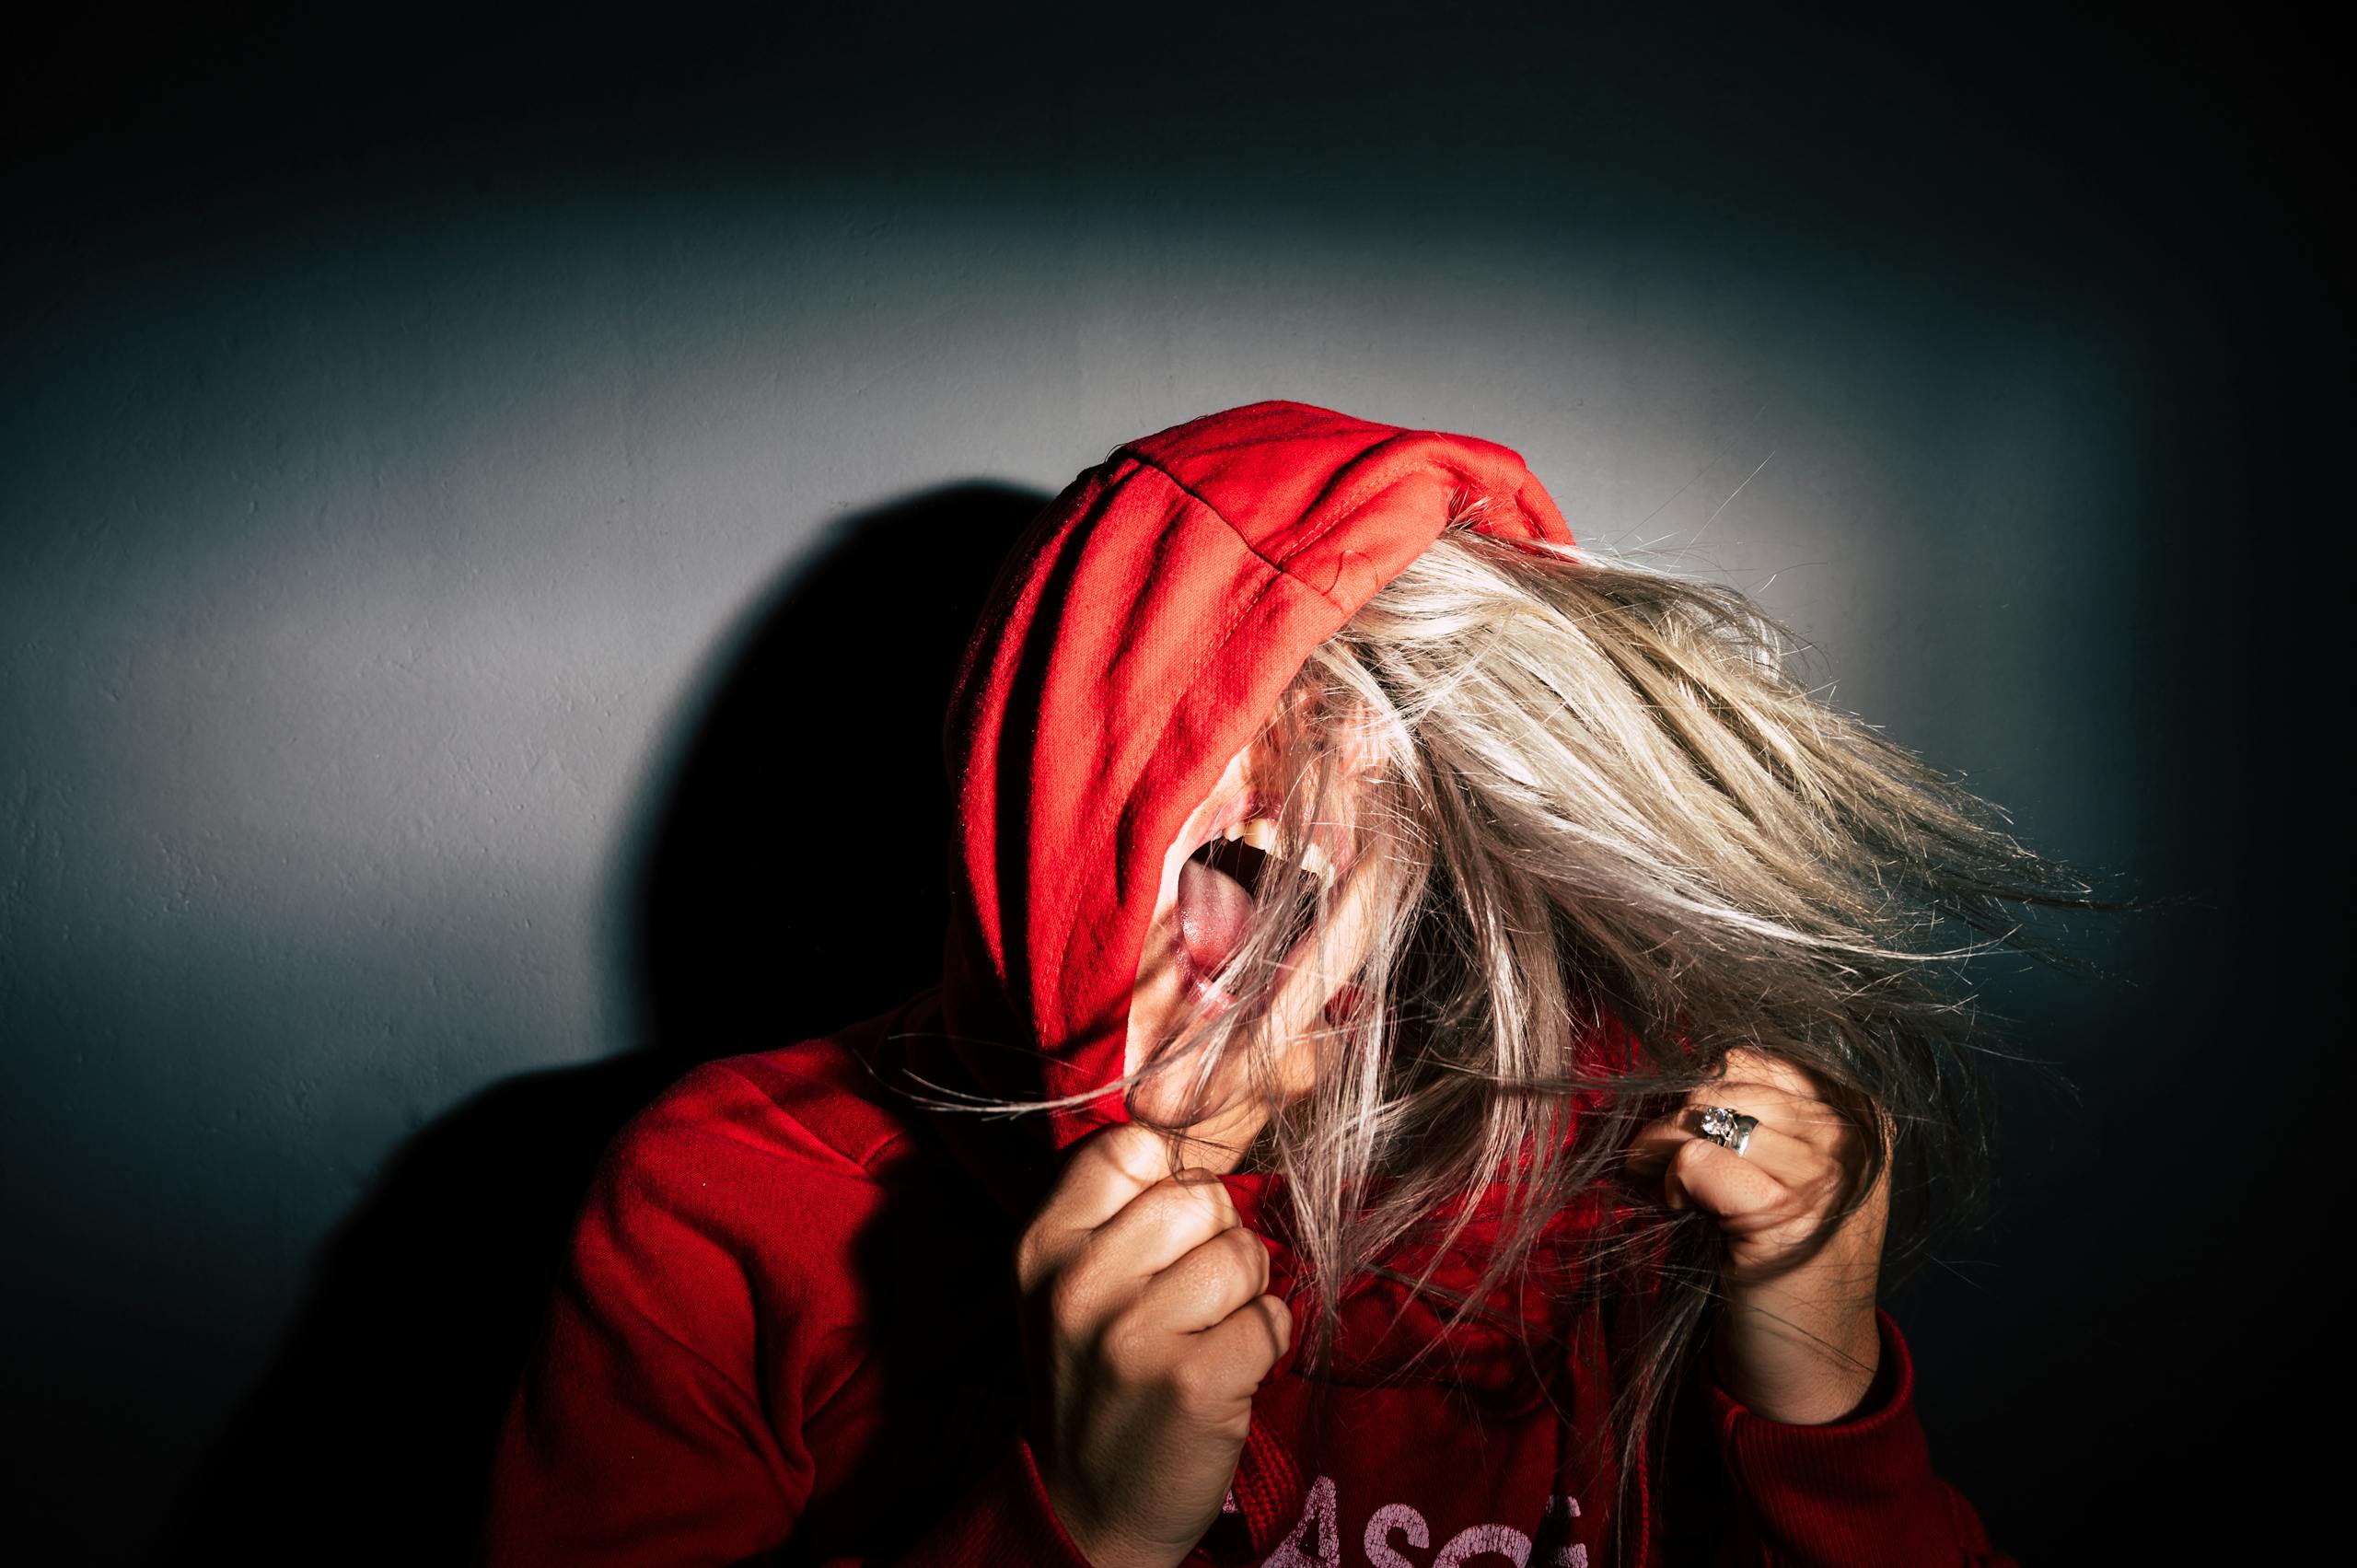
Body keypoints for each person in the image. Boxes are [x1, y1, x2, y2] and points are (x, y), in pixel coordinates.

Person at [483, 400, 2087, 1565]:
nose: (1288, 806)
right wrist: (1082, 1530)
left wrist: (1819, 1400)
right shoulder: (733, 1211)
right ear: (1062, 794)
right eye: (1223, 718)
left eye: (1370, 748)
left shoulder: (1608, 1158)